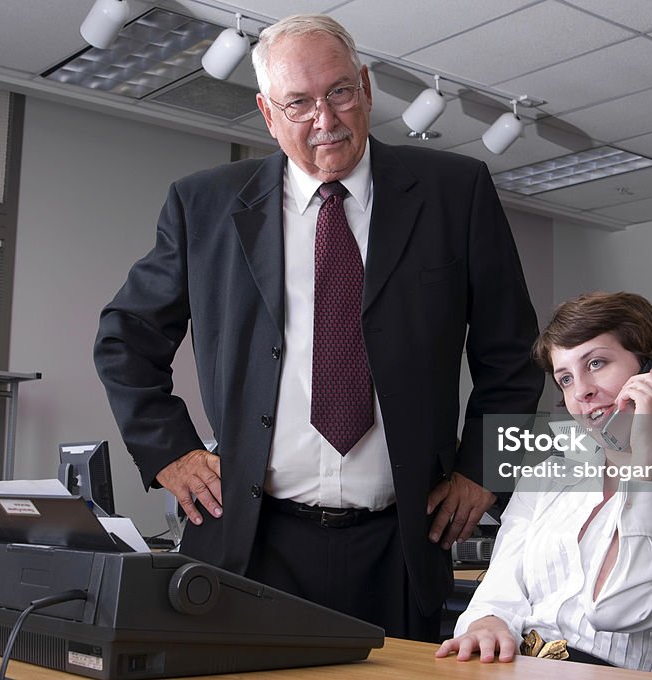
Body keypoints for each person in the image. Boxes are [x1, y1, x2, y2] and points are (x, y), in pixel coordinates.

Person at [93, 14, 543, 641]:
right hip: (252, 541)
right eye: (298, 103)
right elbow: (125, 338)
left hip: (403, 542)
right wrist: (169, 451)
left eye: (338, 92)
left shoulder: (453, 191)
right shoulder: (205, 205)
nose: (325, 120)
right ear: (266, 112)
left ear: (365, 86)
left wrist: (484, 470)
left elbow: (513, 355)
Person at [436, 291, 652, 672]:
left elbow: (621, 608)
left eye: (596, 363)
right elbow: (500, 583)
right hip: (514, 666)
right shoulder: (548, 478)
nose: (581, 392)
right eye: (565, 378)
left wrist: (644, 465)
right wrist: (488, 620)